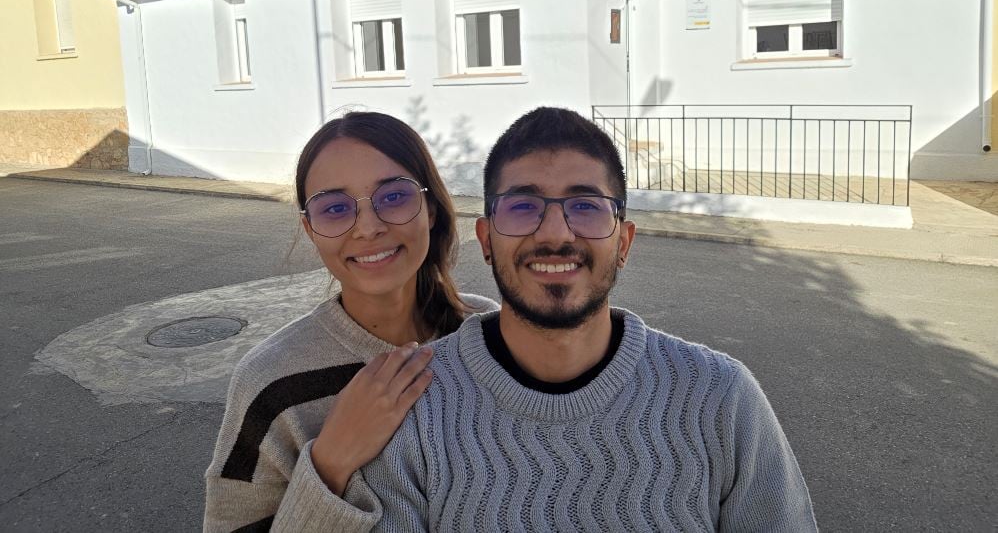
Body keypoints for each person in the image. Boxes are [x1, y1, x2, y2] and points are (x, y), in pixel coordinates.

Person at [331, 107, 818, 531]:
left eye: (585, 206)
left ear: (623, 242)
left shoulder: (721, 399)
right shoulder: (415, 406)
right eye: (524, 206)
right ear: (484, 240)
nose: (556, 233)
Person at [202, 111, 497, 532]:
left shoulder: (487, 333)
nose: (368, 227)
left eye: (394, 197)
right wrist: (331, 460)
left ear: (430, 207)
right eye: (335, 208)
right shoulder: (270, 381)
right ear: (310, 229)